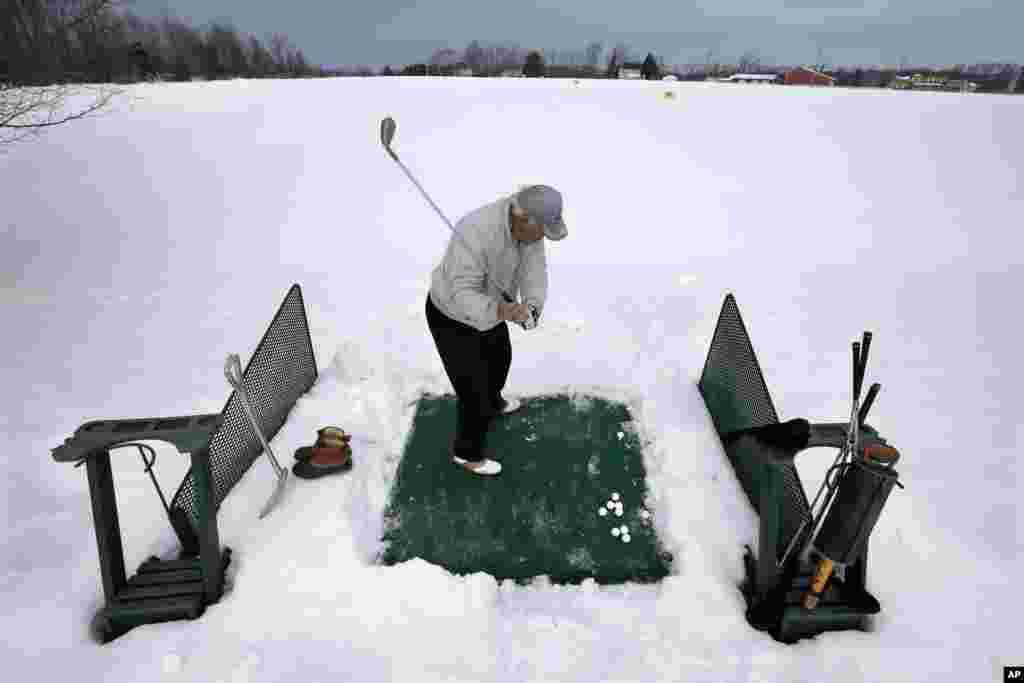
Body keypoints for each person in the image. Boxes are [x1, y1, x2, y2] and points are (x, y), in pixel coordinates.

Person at [425, 184, 568, 476]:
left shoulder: (529, 229)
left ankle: (493, 402)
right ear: (523, 218)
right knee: (472, 391)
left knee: (500, 360)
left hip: (491, 310)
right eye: (541, 230)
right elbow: (461, 292)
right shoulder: (476, 232)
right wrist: (502, 310)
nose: (543, 237)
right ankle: (467, 453)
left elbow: (534, 270)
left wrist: (532, 305)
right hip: (451, 316)